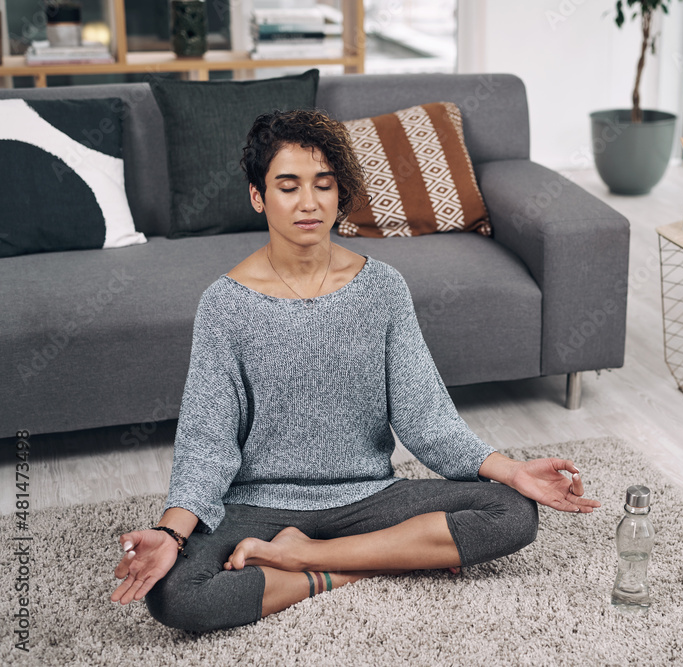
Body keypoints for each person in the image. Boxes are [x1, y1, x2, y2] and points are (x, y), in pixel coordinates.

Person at [110, 109, 600, 633]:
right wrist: (172, 531)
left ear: (340, 194)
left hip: (370, 497)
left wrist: (514, 471)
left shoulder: (383, 287)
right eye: (288, 186)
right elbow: (207, 443)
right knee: (176, 597)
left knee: (512, 513)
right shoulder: (224, 305)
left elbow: (426, 419)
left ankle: (307, 560)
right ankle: (365, 563)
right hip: (259, 506)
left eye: (324, 185)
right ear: (258, 197)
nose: (308, 202)